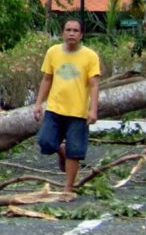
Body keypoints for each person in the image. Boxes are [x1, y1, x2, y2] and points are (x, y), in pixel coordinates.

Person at [32, 18, 101, 193]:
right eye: (68, 30)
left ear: (81, 34)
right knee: (45, 141)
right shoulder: (53, 52)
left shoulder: (90, 56)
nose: (71, 33)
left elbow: (94, 84)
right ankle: (60, 151)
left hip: (78, 112)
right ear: (63, 33)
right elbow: (47, 78)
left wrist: (93, 110)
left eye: (75, 30)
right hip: (55, 108)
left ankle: (68, 188)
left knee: (75, 151)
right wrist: (38, 103)